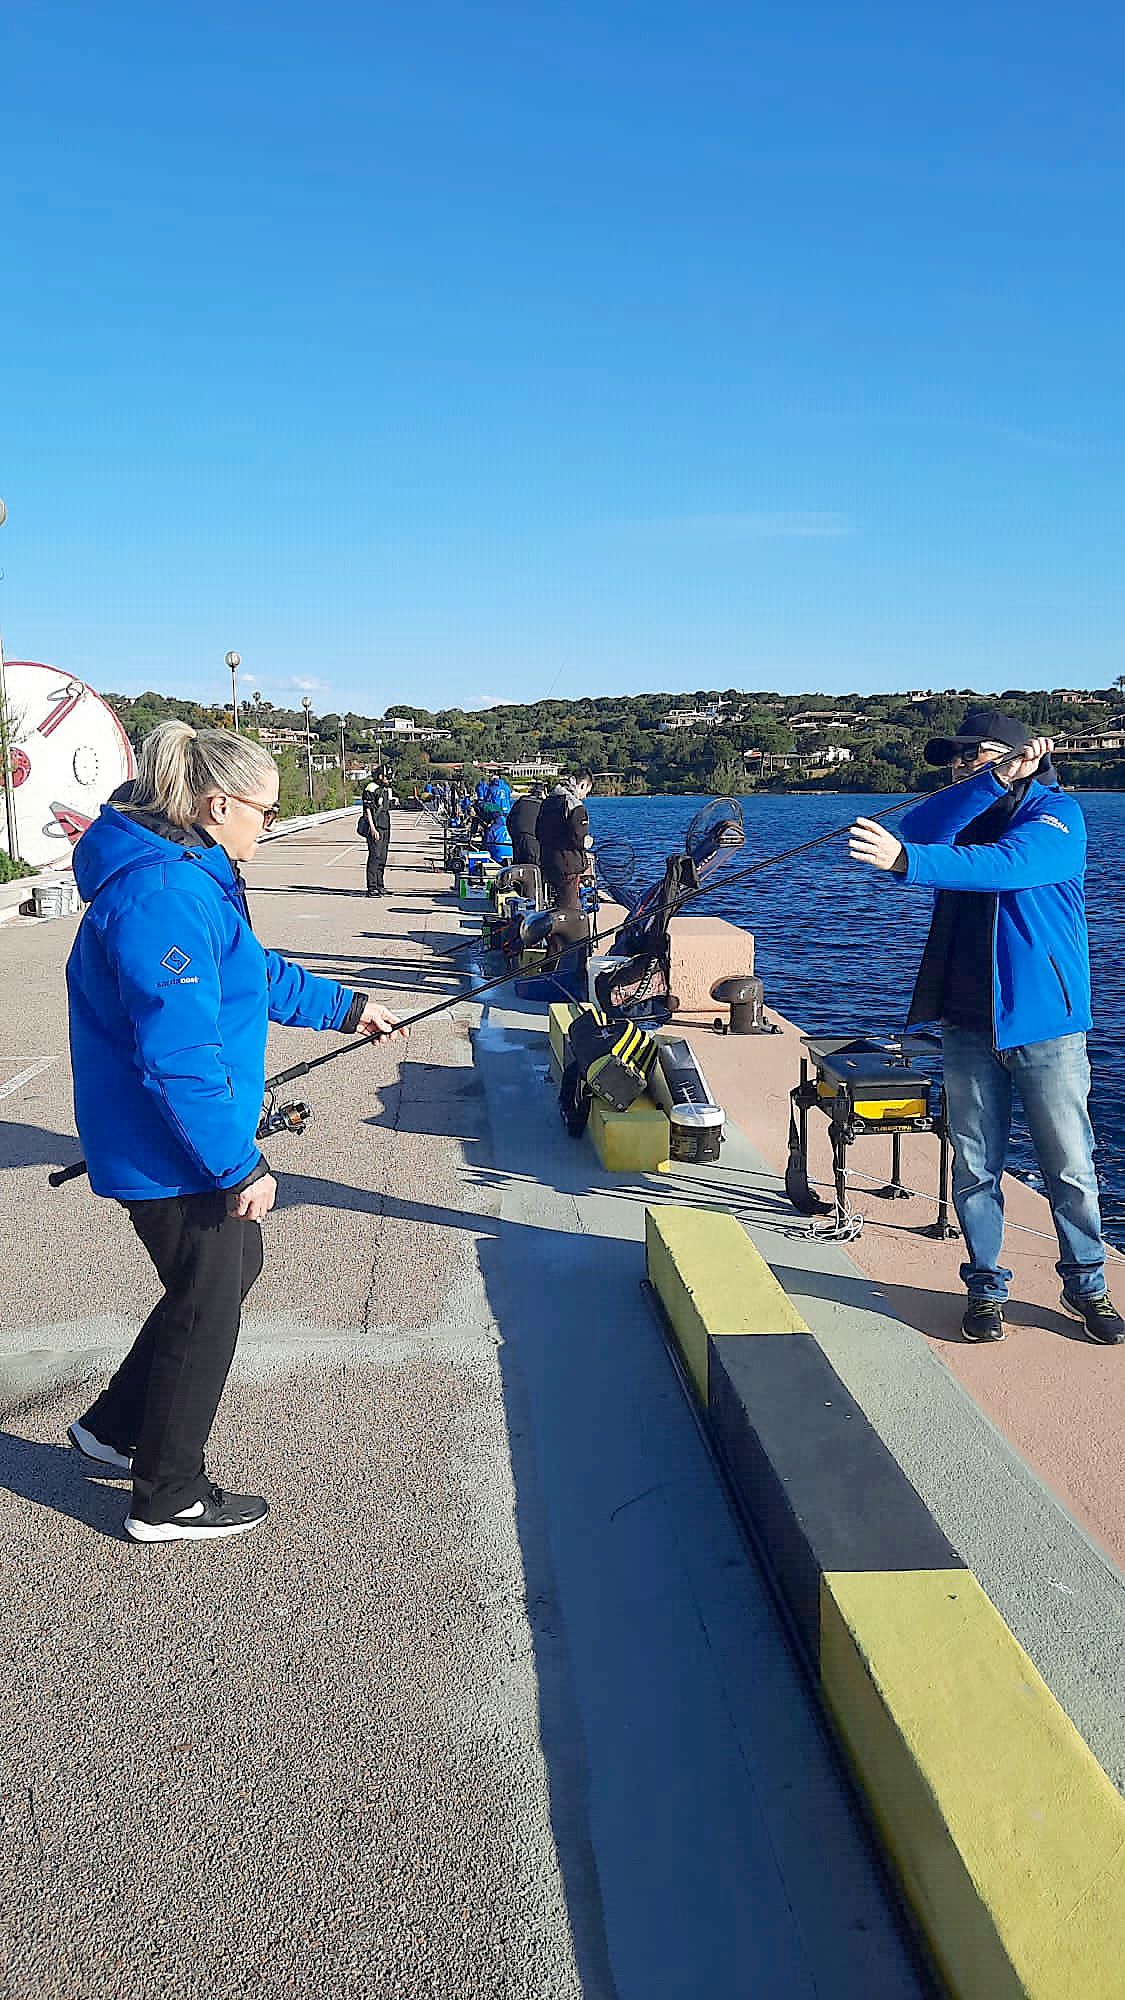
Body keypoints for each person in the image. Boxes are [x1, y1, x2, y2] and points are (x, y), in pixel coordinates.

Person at [64, 722, 406, 1542]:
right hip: (167, 1150)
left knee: (222, 1273)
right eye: (264, 810)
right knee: (211, 1297)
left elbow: (248, 973)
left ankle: (113, 1430)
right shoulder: (166, 895)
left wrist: (348, 1009)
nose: (270, 823)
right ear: (218, 806)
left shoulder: (191, 877)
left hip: (171, 1142)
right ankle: (167, 1498)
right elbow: (177, 1056)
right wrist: (237, 1164)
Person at [849, 707, 1122, 1346]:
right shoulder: (968, 809)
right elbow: (917, 828)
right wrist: (987, 782)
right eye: (956, 755)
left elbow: (1002, 866)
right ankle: (985, 1289)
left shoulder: (1059, 817)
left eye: (976, 752)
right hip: (968, 1023)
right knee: (974, 1164)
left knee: (1070, 1165)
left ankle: (1088, 1286)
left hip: (1045, 1026)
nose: (960, 763)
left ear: (1023, 754)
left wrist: (906, 863)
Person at [536, 774, 593, 912]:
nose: (585, 796)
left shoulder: (548, 802)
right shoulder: (575, 806)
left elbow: (538, 831)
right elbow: (579, 838)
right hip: (568, 866)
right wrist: (588, 842)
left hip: (547, 861)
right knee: (571, 910)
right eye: (586, 792)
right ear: (582, 785)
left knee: (553, 905)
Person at [359, 772, 392, 896]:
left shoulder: (384, 789)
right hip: (375, 827)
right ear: (380, 776)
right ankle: (371, 887)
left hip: (385, 826)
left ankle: (380, 885)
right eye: (387, 777)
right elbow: (367, 810)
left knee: (383, 857)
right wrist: (372, 828)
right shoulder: (370, 788)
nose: (389, 780)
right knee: (375, 856)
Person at [506, 784, 546, 867]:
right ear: (543, 793)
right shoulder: (543, 805)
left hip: (518, 838)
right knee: (534, 869)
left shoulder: (521, 801)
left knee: (518, 868)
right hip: (533, 840)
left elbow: (509, 820)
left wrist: (513, 836)